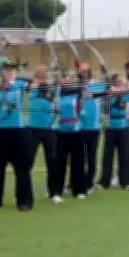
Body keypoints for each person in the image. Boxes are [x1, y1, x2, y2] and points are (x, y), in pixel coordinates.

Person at [0, 61, 35, 210]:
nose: (8, 72)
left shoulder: (19, 84)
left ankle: (24, 200)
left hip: (18, 131)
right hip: (2, 131)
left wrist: (13, 82)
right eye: (5, 70)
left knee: (21, 167)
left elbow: (32, 84)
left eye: (11, 70)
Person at [28, 65, 61, 202]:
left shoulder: (53, 88)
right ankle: (24, 192)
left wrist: (55, 80)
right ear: (36, 74)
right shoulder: (33, 86)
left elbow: (56, 94)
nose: (45, 74)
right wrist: (38, 83)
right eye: (42, 72)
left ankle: (54, 192)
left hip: (49, 129)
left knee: (52, 160)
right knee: (28, 161)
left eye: (46, 72)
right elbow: (31, 87)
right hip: (33, 128)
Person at [55, 71, 87, 199]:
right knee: (59, 162)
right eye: (64, 78)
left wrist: (81, 78)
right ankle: (57, 190)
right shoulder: (56, 92)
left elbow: (82, 88)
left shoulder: (76, 92)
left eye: (68, 78)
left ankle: (79, 190)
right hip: (60, 131)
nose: (67, 80)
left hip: (75, 131)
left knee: (78, 161)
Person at [98, 73, 129, 190]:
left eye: (121, 81)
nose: (120, 82)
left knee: (124, 155)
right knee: (108, 155)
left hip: (123, 125)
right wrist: (113, 92)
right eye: (118, 81)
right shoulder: (108, 92)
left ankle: (125, 181)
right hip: (110, 125)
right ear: (113, 82)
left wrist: (121, 91)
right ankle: (105, 181)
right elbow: (105, 105)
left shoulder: (124, 92)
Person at [79, 63, 107, 192]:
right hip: (79, 127)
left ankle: (89, 183)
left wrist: (105, 74)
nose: (83, 74)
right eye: (81, 72)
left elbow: (106, 90)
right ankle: (76, 182)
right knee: (78, 157)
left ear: (90, 72)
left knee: (91, 156)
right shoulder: (76, 86)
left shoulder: (97, 84)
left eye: (85, 71)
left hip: (93, 127)